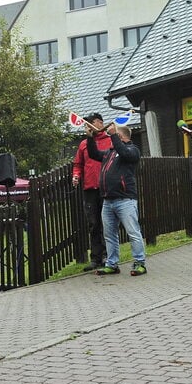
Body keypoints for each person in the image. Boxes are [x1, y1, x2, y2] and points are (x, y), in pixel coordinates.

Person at [86, 123, 147, 276]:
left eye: (115, 135)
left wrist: (113, 135)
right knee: (110, 235)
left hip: (125, 199)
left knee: (133, 232)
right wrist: (90, 137)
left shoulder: (133, 150)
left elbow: (125, 153)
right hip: (108, 200)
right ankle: (112, 264)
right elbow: (93, 154)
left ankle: (140, 263)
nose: (111, 137)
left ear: (120, 136)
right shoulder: (110, 153)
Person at [71, 113, 109, 270]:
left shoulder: (110, 141)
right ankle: (95, 259)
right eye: (86, 125)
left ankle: (109, 256)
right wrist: (76, 176)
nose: (88, 127)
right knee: (93, 224)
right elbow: (77, 164)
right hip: (89, 189)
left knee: (107, 223)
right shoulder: (84, 144)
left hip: (106, 188)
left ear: (100, 123)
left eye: (91, 124)